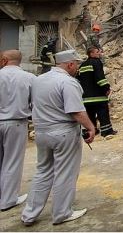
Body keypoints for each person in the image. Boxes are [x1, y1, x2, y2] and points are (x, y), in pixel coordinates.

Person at [21, 50, 96, 226]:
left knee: (42, 172)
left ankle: (29, 214)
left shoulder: (38, 80)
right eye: (76, 64)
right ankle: (62, 213)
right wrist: (91, 127)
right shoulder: (68, 83)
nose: (78, 67)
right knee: (65, 173)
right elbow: (76, 111)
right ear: (70, 64)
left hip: (42, 132)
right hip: (63, 133)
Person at [0, 50, 35, 211]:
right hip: (16, 123)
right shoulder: (29, 78)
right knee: (12, 162)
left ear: (5, 60)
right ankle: (8, 199)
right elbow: (36, 103)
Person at [77, 46, 116, 139]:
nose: (100, 53)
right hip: (98, 95)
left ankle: (91, 130)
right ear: (91, 54)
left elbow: (78, 79)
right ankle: (106, 131)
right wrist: (106, 88)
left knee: (90, 114)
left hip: (86, 97)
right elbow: (100, 78)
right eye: (97, 52)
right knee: (103, 113)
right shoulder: (97, 62)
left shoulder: (82, 65)